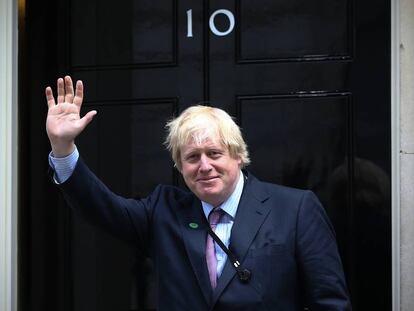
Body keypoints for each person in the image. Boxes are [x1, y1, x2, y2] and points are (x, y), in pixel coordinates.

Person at [46, 76, 352, 310]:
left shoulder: (295, 210)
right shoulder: (163, 212)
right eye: (192, 157)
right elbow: (101, 207)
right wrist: (63, 148)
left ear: (238, 155)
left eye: (214, 153)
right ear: (180, 166)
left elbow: (330, 302)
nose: (204, 166)